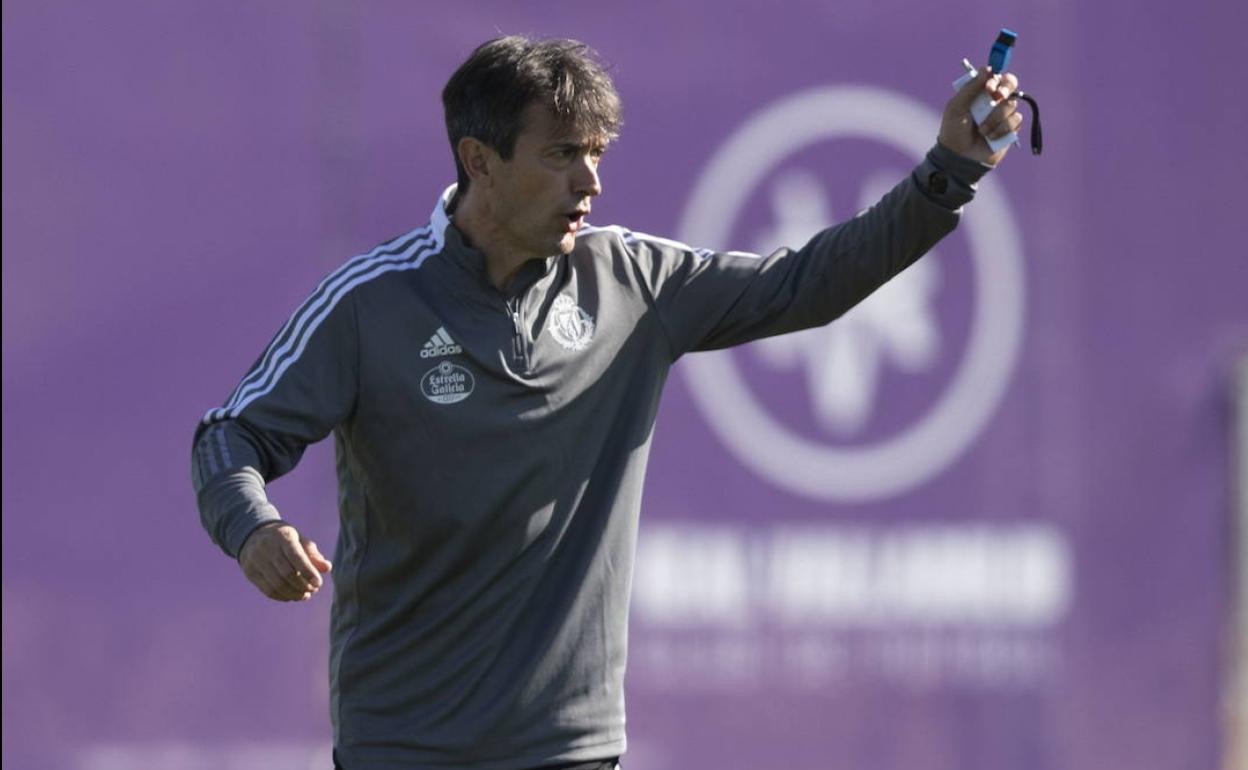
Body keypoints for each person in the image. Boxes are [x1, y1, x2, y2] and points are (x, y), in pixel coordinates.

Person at [192, 35, 1023, 770]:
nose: (589, 179)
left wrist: (948, 172)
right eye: (560, 154)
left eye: (596, 151)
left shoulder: (632, 279)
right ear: (479, 161)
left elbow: (809, 283)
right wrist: (254, 528)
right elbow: (230, 436)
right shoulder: (371, 304)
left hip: (570, 747)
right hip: (405, 745)